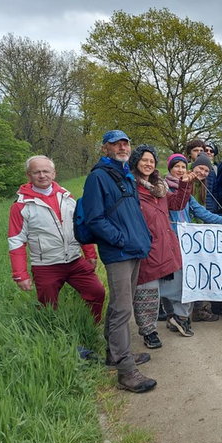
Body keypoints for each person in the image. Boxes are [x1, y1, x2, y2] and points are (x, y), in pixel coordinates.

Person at [81, 130, 156, 393]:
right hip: (119, 253)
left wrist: (141, 237)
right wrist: (121, 239)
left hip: (133, 249)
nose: (122, 147)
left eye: (125, 143)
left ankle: (115, 354)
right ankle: (126, 372)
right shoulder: (98, 178)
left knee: (119, 306)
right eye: (116, 144)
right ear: (105, 149)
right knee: (123, 309)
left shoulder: (124, 175)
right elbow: (95, 218)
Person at [8, 155, 105, 323]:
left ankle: (92, 325)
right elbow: (16, 241)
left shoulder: (67, 197)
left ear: (54, 173)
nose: (42, 175)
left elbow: (80, 226)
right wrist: (20, 274)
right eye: (36, 172)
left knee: (97, 292)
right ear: (28, 176)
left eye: (46, 171)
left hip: (75, 261)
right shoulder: (21, 205)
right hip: (46, 266)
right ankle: (52, 335)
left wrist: (90, 254)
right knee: (47, 307)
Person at [128, 145, 193, 349]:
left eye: (152, 161)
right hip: (145, 247)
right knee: (146, 293)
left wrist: (184, 186)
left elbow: (177, 204)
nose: (148, 164)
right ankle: (149, 331)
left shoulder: (160, 187)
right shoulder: (130, 187)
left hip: (166, 245)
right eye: (144, 160)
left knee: (180, 284)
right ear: (136, 162)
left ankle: (178, 317)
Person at [161, 152, 222, 327]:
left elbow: (202, 212)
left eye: (182, 167)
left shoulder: (187, 191)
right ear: (170, 168)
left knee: (183, 278)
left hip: (185, 241)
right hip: (169, 238)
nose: (180, 170)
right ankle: (171, 314)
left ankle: (180, 316)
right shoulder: (162, 187)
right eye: (176, 167)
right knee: (169, 279)